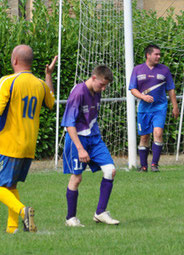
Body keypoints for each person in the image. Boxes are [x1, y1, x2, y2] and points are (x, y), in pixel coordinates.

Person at [0, 45, 57, 234]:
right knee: (10, 186)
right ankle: (12, 227)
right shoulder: (40, 83)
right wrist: (48, 75)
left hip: (8, 144)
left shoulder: (8, 81)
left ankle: (23, 211)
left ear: (14, 60)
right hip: (29, 146)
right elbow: (51, 103)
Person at [62, 65, 120, 227]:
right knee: (77, 178)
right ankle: (71, 218)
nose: (103, 88)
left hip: (94, 139)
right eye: (102, 84)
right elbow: (69, 125)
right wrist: (80, 148)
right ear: (93, 78)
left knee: (110, 170)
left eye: (106, 86)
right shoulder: (78, 93)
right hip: (77, 140)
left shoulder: (97, 92)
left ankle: (100, 212)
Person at [128, 44, 179, 172]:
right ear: (148, 55)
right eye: (156, 54)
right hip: (143, 109)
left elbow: (171, 89)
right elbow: (132, 89)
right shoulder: (137, 70)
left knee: (158, 133)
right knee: (144, 137)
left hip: (159, 108)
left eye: (159, 54)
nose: (158, 56)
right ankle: (143, 166)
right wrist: (143, 97)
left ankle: (154, 165)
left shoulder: (164, 70)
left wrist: (175, 106)